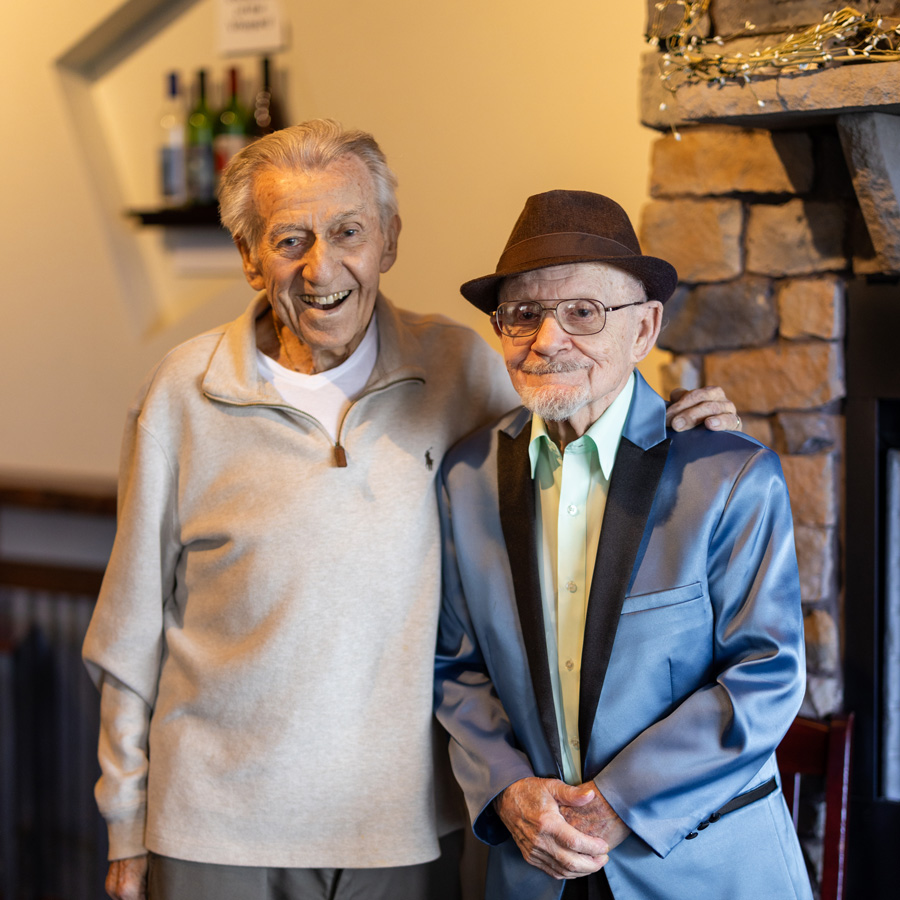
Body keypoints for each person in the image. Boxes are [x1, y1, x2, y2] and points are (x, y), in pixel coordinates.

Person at [83, 122, 740, 900]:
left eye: (348, 232)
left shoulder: (458, 367)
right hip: (215, 830)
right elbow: (128, 634)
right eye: (289, 238)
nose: (320, 266)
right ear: (249, 256)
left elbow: (574, 412)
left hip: (399, 831)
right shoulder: (180, 392)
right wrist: (127, 826)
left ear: (389, 240)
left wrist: (672, 430)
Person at [433, 189, 811, 900]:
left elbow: (767, 674)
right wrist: (508, 789)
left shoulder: (727, 475)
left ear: (644, 331)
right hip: (532, 870)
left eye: (584, 312)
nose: (547, 341)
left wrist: (620, 804)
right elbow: (455, 667)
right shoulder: (466, 478)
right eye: (523, 314)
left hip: (704, 870)